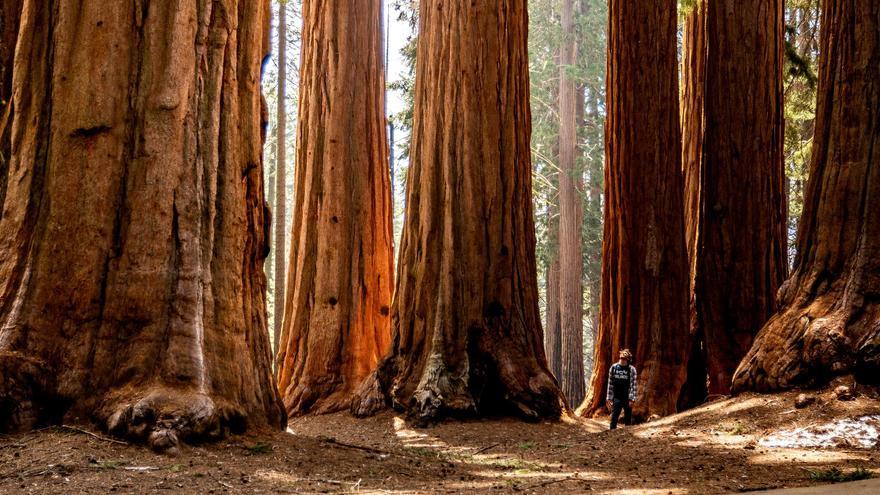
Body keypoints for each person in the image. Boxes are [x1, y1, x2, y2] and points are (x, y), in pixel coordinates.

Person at [606, 349, 637, 429]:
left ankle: (628, 433)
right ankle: (611, 432)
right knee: (614, 417)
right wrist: (609, 397)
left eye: (624, 358)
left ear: (628, 359)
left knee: (628, 418)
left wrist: (632, 399)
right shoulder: (613, 368)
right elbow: (610, 383)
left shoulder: (632, 369)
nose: (622, 360)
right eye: (621, 358)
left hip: (627, 397)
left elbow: (633, 385)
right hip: (617, 397)